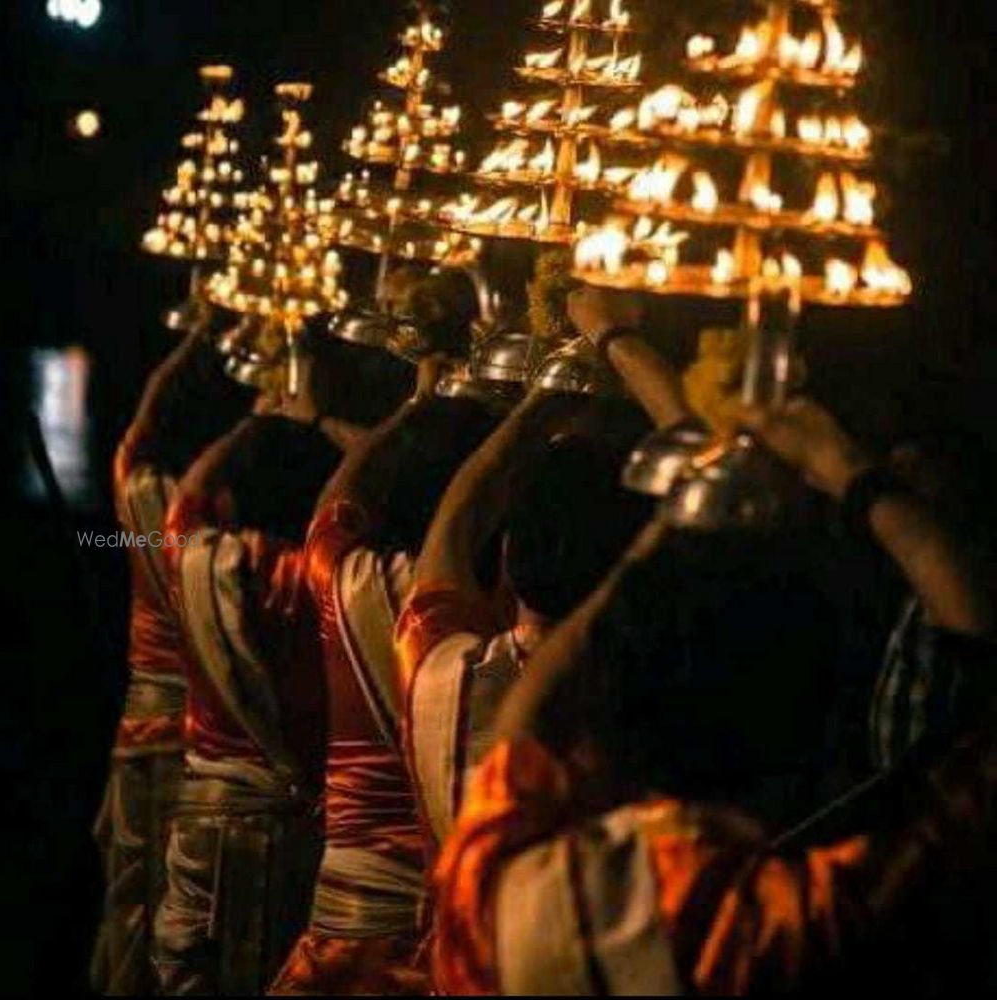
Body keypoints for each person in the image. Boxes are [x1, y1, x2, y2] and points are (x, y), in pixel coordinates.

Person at [431, 389, 997, 995]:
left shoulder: (496, 874)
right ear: (793, 715)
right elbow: (984, 682)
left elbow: (532, 709)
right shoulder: (781, 926)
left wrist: (665, 536)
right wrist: (844, 469)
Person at [269, 270, 498, 995]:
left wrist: (420, 398)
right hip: (432, 921)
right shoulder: (474, 621)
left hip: (343, 896)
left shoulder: (348, 577)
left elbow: (336, 500)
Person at [394, 285, 691, 844]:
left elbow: (464, 506)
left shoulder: (442, 672)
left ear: (505, 551)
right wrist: (611, 339)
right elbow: (704, 470)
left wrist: (548, 391)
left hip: (443, 932)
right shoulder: (637, 707)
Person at [151, 346, 357, 995]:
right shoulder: (321, 582)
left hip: (202, 817)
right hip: (287, 826)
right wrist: (320, 421)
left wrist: (257, 419)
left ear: (231, 500)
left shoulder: (198, 561)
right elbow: (349, 494)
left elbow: (186, 493)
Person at [90, 329, 251, 995]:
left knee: (134, 892)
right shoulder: (205, 521)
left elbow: (144, 419)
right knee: (166, 902)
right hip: (186, 730)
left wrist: (194, 339)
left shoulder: (139, 492)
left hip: (145, 726)